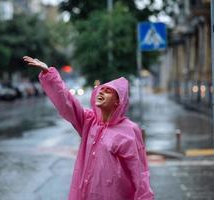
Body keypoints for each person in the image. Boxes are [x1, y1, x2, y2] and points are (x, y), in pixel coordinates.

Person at [23, 56, 154, 200]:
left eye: (108, 91)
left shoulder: (129, 130)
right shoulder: (89, 122)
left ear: (118, 102)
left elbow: (139, 171)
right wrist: (49, 74)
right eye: (101, 89)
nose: (102, 92)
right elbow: (67, 102)